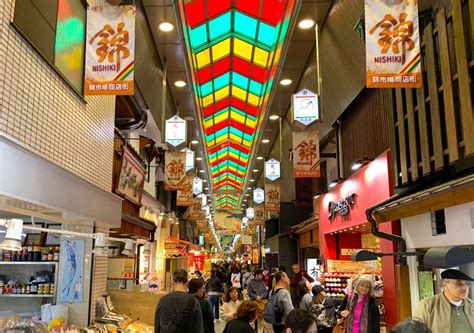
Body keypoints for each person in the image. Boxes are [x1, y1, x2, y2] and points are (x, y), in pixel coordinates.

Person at [414, 269, 473, 333]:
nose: (465, 288)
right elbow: (415, 330)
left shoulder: (472, 305)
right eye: (459, 284)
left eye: (466, 284)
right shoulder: (428, 304)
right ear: (445, 286)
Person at [248, 268, 269, 333]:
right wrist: (255, 297)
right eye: (260, 274)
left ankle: (260, 330)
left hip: (262, 303)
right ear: (256, 274)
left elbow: (266, 292)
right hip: (254, 302)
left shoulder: (262, 282)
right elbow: (249, 292)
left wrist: (261, 296)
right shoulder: (251, 282)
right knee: (254, 318)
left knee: (261, 318)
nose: (261, 276)